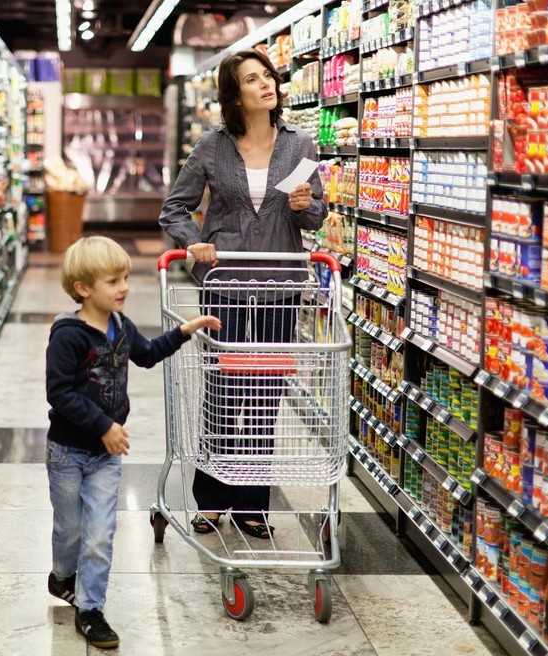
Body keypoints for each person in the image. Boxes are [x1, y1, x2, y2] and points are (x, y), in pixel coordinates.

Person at [158, 49, 326, 540]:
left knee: (264, 395)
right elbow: (174, 209)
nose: (265, 84)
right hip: (226, 285)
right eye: (252, 79)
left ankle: (253, 503)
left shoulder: (300, 145)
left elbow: (314, 217)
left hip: (279, 284)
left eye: (268, 76)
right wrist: (195, 243)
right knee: (223, 391)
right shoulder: (212, 147)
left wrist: (304, 205)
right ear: (235, 95)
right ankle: (211, 499)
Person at [45, 236, 221, 649]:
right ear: (83, 289)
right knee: (70, 528)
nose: (123, 287)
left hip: (106, 457)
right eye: (112, 281)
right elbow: (60, 394)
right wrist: (105, 425)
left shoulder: (121, 327)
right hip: (67, 452)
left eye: (124, 278)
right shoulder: (67, 335)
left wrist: (184, 330)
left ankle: (90, 609)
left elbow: (146, 353)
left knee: (101, 532)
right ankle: (61, 577)